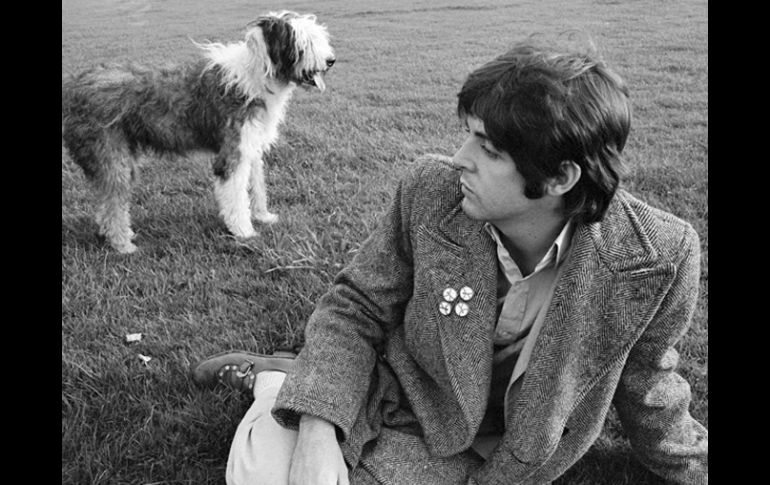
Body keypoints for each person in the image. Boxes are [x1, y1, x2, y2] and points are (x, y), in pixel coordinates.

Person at [191, 38, 708, 485]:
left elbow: (649, 384)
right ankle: (281, 383)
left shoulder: (656, 257)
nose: (460, 157)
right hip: (400, 398)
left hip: (505, 452)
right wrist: (317, 426)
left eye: (488, 148)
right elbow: (355, 308)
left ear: (559, 178)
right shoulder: (432, 191)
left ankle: (285, 377)